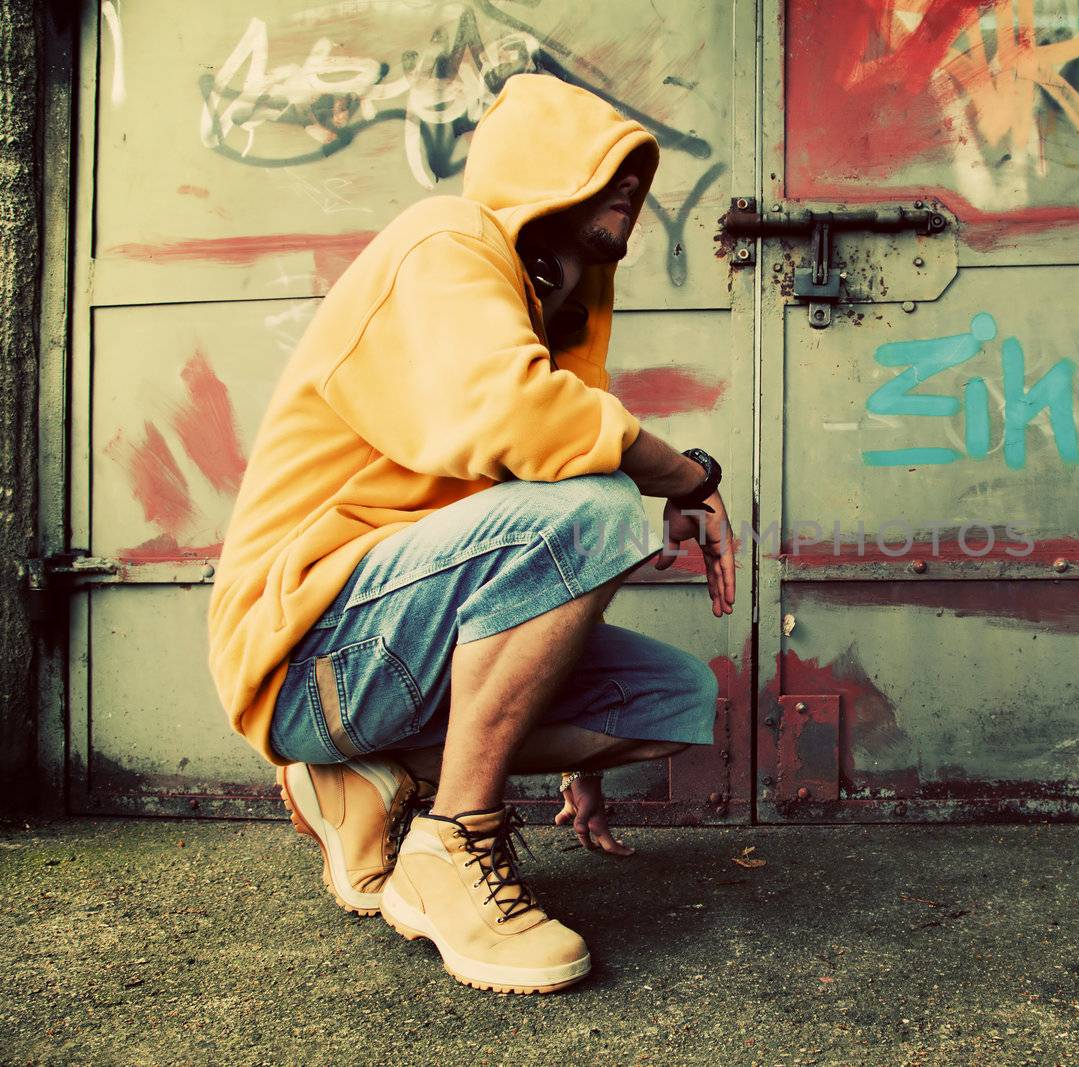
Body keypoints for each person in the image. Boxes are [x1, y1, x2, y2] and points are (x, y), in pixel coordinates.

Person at [205, 73, 735, 995]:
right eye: (611, 162)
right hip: (305, 650)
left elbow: (526, 555)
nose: (633, 185)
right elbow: (532, 425)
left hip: (384, 646)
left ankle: (361, 779)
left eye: (641, 178)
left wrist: (547, 716)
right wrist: (690, 477)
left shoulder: (542, 314)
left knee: (671, 696)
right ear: (538, 165)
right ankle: (453, 847)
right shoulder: (444, 241)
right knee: (605, 495)